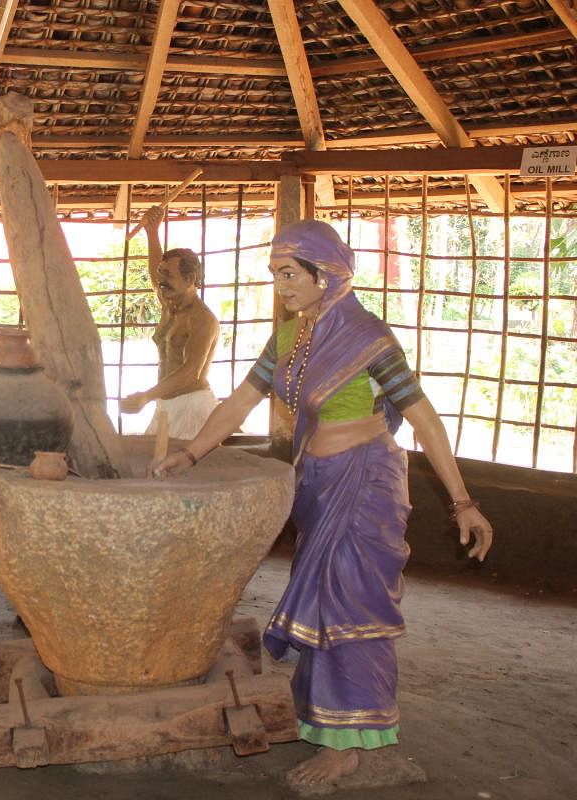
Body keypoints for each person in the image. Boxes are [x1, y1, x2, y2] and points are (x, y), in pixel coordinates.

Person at [152, 219, 494, 787]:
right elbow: (240, 402)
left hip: (367, 486)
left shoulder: (368, 338)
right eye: (275, 275)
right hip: (319, 483)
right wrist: (191, 453)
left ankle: (351, 746)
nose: (280, 286)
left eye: (289, 274)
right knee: (327, 610)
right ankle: (331, 724)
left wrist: (463, 503)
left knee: (351, 609)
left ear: (325, 274)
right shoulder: (290, 336)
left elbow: (424, 419)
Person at [120, 204, 220, 438]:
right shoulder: (169, 304)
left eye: (169, 275)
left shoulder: (203, 319)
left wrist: (146, 396)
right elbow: (157, 276)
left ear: (190, 278)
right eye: (161, 273)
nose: (161, 281)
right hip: (166, 406)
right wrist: (152, 231)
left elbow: (190, 373)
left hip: (192, 407)